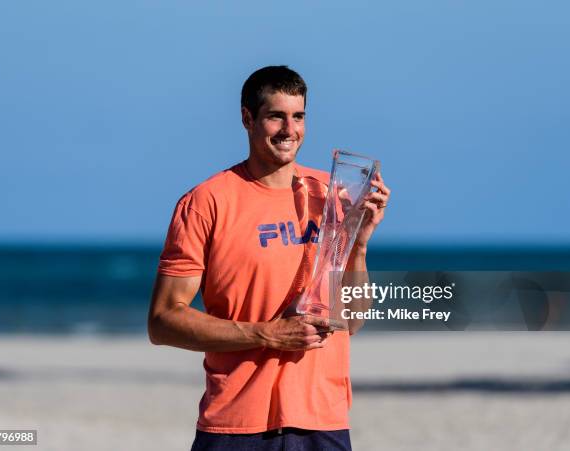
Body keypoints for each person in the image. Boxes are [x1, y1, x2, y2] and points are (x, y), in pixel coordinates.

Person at [148, 65, 391, 451]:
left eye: (298, 117)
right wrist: (267, 334)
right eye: (276, 116)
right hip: (235, 425)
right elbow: (163, 321)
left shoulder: (331, 195)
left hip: (322, 422)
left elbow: (352, 321)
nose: (289, 130)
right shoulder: (207, 202)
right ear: (247, 118)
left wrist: (358, 244)